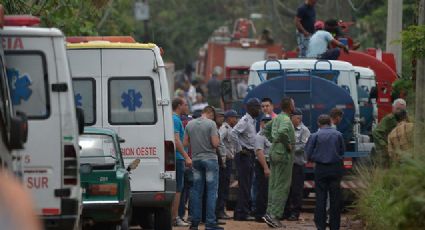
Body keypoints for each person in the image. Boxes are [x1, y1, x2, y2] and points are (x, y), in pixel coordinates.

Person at [184, 106, 223, 230]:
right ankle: (210, 223)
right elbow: (215, 143)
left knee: (196, 191)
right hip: (210, 160)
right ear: (210, 113)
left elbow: (185, 143)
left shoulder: (189, 124)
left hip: (196, 160)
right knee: (212, 191)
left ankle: (195, 222)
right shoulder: (211, 124)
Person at [305, 114, 345, 230]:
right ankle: (334, 226)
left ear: (319, 123)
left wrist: (314, 159)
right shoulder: (338, 135)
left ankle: (320, 226)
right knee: (335, 199)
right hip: (335, 169)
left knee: (320, 199)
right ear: (330, 123)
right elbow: (342, 151)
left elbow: (307, 153)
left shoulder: (315, 136)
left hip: (320, 169)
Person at [262, 97, 296, 228]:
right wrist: (286, 144)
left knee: (273, 185)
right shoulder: (286, 120)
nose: (294, 106)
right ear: (290, 106)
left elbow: (265, 129)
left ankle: (269, 213)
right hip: (283, 155)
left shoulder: (277, 118)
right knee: (282, 186)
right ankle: (274, 216)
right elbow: (282, 132)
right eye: (293, 104)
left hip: (274, 152)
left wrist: (273, 140)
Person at [231, 98, 262, 221]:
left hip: (249, 155)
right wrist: (240, 149)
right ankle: (241, 213)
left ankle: (241, 211)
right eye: (257, 107)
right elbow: (233, 133)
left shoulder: (252, 121)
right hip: (244, 155)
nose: (259, 110)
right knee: (244, 186)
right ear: (250, 108)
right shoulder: (245, 120)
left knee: (247, 185)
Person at [284, 108, 311, 221]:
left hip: (297, 164)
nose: (297, 119)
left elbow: (304, 146)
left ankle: (295, 212)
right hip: (286, 165)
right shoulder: (287, 129)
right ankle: (286, 212)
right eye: (295, 117)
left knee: (296, 190)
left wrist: (290, 147)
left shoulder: (304, 130)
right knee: (286, 189)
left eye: (298, 118)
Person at [172, 98, 192, 227]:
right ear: (179, 106)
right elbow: (176, 140)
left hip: (179, 157)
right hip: (178, 158)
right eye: (185, 104)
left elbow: (183, 142)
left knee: (179, 188)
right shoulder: (175, 119)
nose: (187, 106)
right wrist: (186, 157)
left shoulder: (176, 119)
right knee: (178, 189)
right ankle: (174, 218)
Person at [216, 110, 240, 220]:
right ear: (229, 118)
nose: (236, 120)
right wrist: (223, 155)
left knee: (225, 186)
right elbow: (218, 141)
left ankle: (222, 210)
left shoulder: (230, 129)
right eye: (234, 118)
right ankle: (220, 211)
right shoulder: (224, 129)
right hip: (224, 161)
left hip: (229, 160)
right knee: (222, 186)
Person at [372, 98, 407, 167]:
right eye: (398, 109)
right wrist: (385, 146)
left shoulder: (406, 119)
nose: (400, 111)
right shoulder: (389, 119)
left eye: (402, 110)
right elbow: (376, 133)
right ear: (393, 108)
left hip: (400, 153)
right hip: (387, 154)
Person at [253, 115, 272, 221]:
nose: (268, 124)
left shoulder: (271, 135)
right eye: (265, 122)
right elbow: (259, 152)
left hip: (270, 164)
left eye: (270, 122)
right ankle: (260, 214)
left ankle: (267, 213)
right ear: (261, 124)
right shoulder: (260, 136)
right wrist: (265, 168)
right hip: (263, 164)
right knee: (262, 190)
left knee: (269, 191)